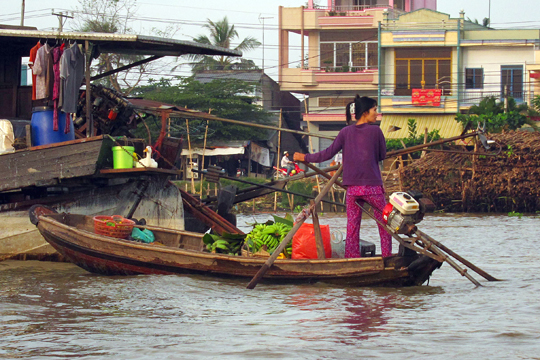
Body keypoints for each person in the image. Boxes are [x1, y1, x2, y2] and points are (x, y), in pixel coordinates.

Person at [293, 95, 391, 258]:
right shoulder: (376, 131)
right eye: (375, 110)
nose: (377, 113)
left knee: (352, 228)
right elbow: (382, 155)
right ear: (366, 112)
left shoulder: (345, 132)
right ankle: (387, 257)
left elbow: (327, 154)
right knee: (384, 223)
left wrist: (305, 157)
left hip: (352, 189)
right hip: (372, 188)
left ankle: (351, 259)